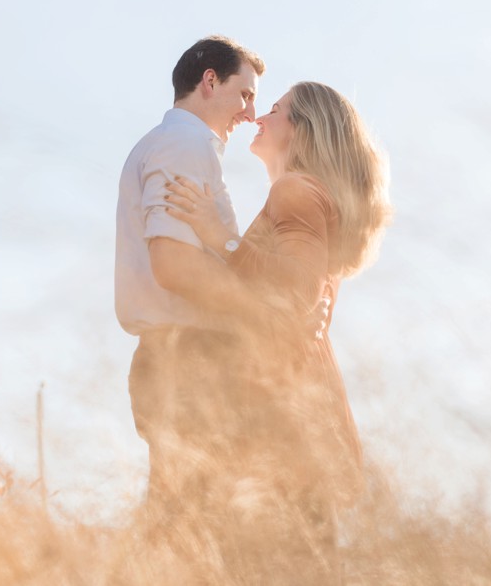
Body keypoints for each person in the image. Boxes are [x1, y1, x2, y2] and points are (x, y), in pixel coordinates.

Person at [163, 81, 393, 582]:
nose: (259, 117)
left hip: (278, 428)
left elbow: (294, 292)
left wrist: (217, 236)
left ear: (303, 132)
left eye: (275, 109)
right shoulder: (315, 198)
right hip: (302, 423)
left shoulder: (295, 191)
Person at [115, 35, 268, 511]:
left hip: (176, 357)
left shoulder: (171, 143)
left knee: (181, 525)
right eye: (244, 94)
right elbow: (174, 264)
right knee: (197, 528)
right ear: (209, 81)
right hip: (191, 360)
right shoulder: (184, 144)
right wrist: (263, 314)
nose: (249, 114)